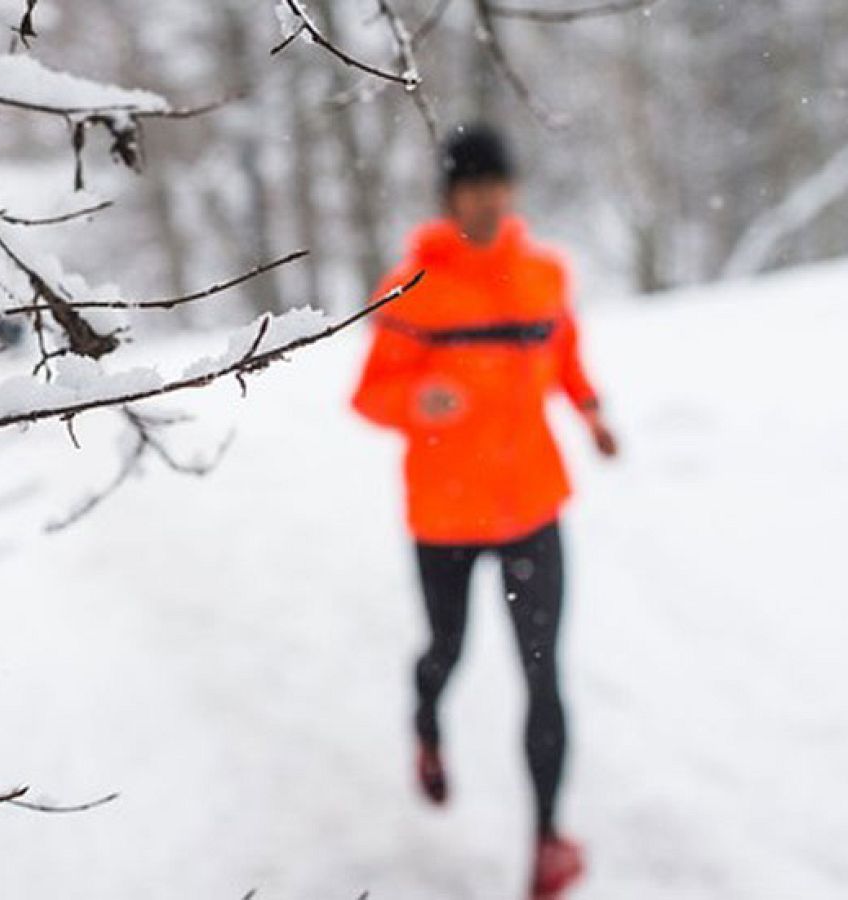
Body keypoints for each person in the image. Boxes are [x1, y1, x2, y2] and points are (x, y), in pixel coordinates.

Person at [350, 124, 618, 900]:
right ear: (449, 197)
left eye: (497, 184)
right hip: (446, 515)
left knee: (545, 678)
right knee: (448, 651)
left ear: (512, 189)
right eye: (471, 186)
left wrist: (593, 411)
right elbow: (368, 393)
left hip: (533, 504)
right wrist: (416, 398)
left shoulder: (545, 274)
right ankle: (428, 727)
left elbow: (563, 357)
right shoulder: (411, 287)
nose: (487, 199)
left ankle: (545, 840)